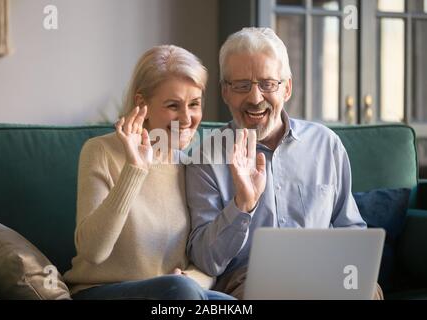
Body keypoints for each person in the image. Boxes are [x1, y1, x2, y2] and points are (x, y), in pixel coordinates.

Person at [185, 27, 383, 300]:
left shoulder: (326, 144)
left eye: (267, 84)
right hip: (249, 279)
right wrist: (243, 205)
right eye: (242, 85)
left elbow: (351, 228)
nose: (255, 99)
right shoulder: (205, 158)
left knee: (367, 290)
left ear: (286, 88)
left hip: (324, 270)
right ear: (225, 92)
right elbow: (206, 259)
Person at [63, 45, 234, 300]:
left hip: (174, 294)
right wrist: (135, 169)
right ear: (141, 103)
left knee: (231, 303)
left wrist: (190, 279)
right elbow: (93, 251)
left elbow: (206, 256)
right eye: (173, 106)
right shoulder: (100, 151)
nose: (187, 119)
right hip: (101, 292)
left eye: (194, 104)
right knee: (181, 292)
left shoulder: (194, 163)